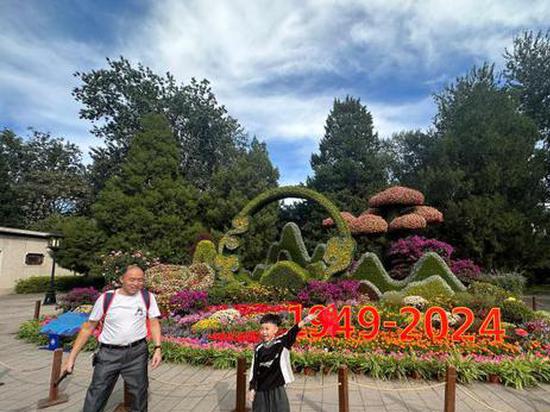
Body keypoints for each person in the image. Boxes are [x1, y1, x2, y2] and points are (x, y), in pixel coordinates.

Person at [61, 265, 162, 412]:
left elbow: (153, 322)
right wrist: (71, 358)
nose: (136, 283)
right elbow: (88, 328)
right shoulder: (107, 298)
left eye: (140, 280)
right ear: (122, 279)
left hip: (137, 353)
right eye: (132, 279)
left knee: (139, 396)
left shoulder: (147, 297)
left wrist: (157, 348)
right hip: (108, 354)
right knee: (96, 394)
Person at [248, 311, 319, 412]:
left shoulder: (281, 343)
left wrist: (306, 320)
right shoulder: (258, 348)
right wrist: (252, 389)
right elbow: (254, 370)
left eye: (267, 329)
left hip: (277, 387)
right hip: (261, 389)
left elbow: (292, 331)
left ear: (275, 330)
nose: (264, 332)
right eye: (262, 329)